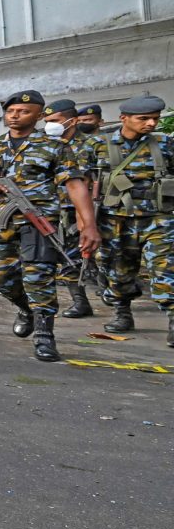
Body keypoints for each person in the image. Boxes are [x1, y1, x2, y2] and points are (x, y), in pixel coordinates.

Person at [0, 90, 100, 362]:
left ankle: (44, 336)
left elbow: (75, 185)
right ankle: (25, 308)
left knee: (39, 277)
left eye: (24, 112)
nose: (16, 116)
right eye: (11, 111)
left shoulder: (55, 146)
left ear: (39, 116)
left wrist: (89, 225)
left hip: (38, 220)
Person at [81, 95, 174, 346]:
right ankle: (122, 313)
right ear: (124, 118)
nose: (151, 124)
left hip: (159, 219)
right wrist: (84, 222)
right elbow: (81, 183)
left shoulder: (166, 144)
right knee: (118, 271)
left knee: (166, 270)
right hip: (114, 220)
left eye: (154, 119)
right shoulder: (97, 145)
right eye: (143, 119)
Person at [41, 99, 95, 318]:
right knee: (67, 256)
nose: (49, 125)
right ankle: (80, 301)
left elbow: (93, 180)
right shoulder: (45, 145)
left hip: (86, 210)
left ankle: (117, 297)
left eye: (54, 121)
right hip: (56, 210)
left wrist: (86, 217)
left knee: (102, 258)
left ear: (71, 121)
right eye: (46, 121)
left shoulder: (91, 145)